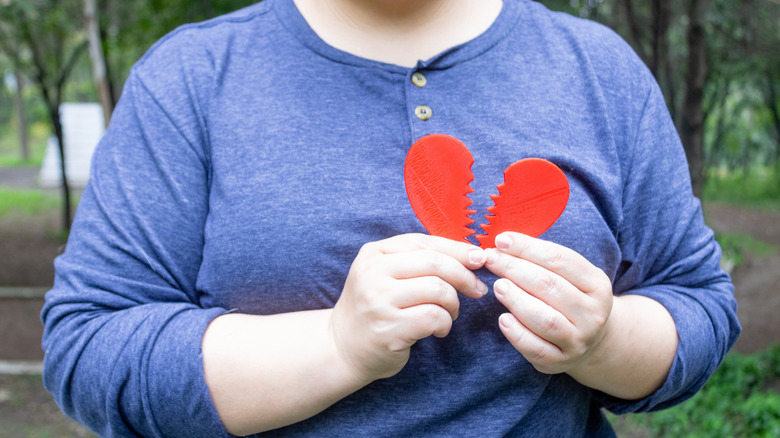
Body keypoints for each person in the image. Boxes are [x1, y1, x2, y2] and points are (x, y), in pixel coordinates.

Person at [41, 0, 741, 436]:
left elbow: (699, 302)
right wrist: (337, 347)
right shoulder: (191, 79)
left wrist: (605, 340)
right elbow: (90, 346)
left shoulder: (601, 72)